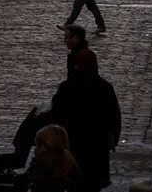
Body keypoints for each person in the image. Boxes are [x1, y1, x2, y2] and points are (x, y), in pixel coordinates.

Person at [47, 49, 121, 192]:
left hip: (73, 144)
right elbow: (114, 116)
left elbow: (56, 114)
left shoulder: (67, 88)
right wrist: (113, 138)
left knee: (73, 183)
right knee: (93, 184)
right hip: (97, 146)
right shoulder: (104, 87)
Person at [16, 124, 85, 192]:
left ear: (43, 146)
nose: (35, 150)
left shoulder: (39, 168)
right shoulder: (70, 164)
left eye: (36, 144)